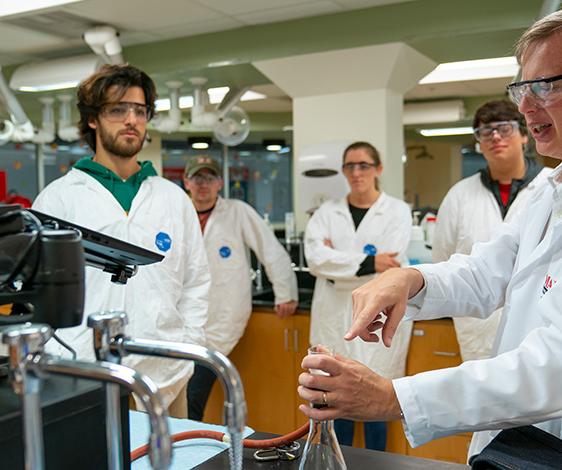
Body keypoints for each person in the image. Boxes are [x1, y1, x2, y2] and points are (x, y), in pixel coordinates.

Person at [297, 6, 562, 469]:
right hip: (517, 447)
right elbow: (487, 271)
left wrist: (395, 397)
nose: (526, 107)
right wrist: (410, 280)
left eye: (547, 84)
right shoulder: (549, 187)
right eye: (522, 87)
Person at [32, 64, 211, 416]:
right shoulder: (58, 200)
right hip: (81, 374)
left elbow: (196, 283)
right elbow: (40, 294)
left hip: (166, 374)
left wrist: (187, 345)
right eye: (117, 109)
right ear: (94, 120)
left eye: (140, 110)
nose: (131, 119)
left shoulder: (173, 199)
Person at [303, 141, 412, 451]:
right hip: (332, 315)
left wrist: (336, 260)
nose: (356, 172)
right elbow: (314, 258)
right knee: (333, 401)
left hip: (375, 313)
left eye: (363, 165)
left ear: (377, 169)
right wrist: (367, 262)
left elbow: (390, 263)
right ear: (343, 172)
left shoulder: (396, 211)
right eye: (350, 166)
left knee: (374, 403)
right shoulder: (328, 211)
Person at [182, 154, 298, 422]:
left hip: (223, 314)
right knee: (182, 395)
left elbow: (271, 250)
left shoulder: (237, 211)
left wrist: (285, 293)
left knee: (192, 395)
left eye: (209, 178)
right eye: (197, 178)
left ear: (220, 182)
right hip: (184, 318)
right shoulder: (179, 213)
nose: (203, 184)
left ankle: (188, 454)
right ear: (186, 182)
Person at [433, 100, 551, 362]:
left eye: (504, 129)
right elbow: (443, 261)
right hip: (478, 327)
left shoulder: (554, 186)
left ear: (523, 135)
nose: (495, 137)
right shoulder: (459, 195)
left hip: (539, 323)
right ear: (479, 143)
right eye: (485, 132)